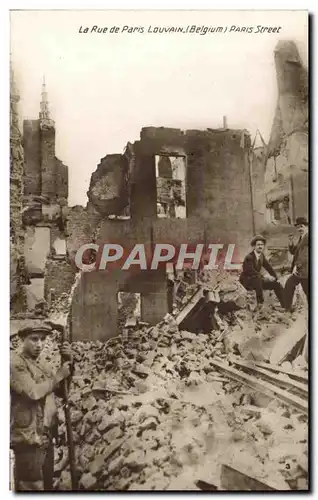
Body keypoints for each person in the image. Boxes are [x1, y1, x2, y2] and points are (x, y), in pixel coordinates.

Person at [10, 325, 74, 491]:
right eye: (34, 339)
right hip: (29, 438)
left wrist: (68, 363)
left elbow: (60, 391)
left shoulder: (42, 364)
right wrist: (59, 375)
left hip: (45, 436)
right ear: (21, 339)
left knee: (45, 486)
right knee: (31, 487)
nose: (39, 344)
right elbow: (32, 392)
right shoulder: (14, 363)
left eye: (43, 339)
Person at [239, 234, 285, 309]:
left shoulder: (261, 256)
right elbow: (250, 271)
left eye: (262, 245)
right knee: (258, 278)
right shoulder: (249, 257)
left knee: (276, 284)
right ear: (254, 246)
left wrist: (275, 277)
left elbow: (268, 267)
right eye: (258, 245)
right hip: (247, 282)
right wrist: (266, 276)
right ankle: (260, 303)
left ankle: (285, 305)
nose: (260, 246)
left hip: (257, 281)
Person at [284, 217, 308, 311]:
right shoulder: (302, 237)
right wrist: (291, 242)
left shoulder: (308, 237)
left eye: (301, 226)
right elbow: (295, 252)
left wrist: (297, 266)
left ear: (306, 226)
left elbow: (305, 255)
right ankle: (288, 307)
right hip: (301, 270)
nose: (299, 229)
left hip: (305, 270)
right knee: (290, 284)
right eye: (298, 227)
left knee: (307, 290)